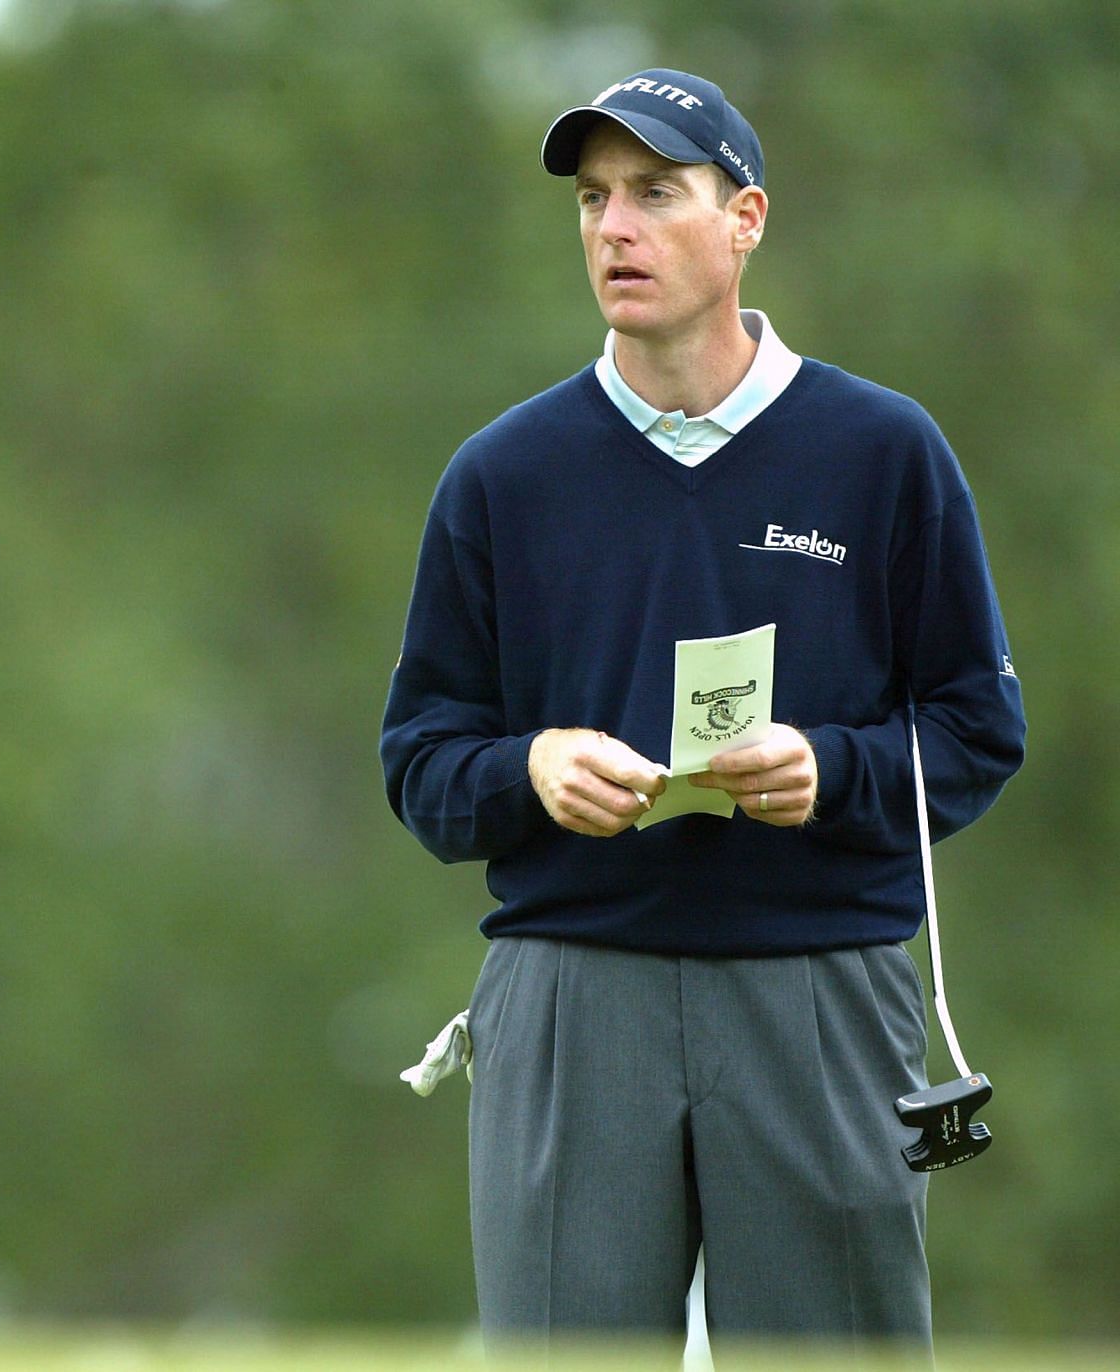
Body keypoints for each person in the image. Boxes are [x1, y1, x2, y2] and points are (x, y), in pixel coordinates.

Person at [379, 68, 1024, 1355]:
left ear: (747, 219)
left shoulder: (883, 451)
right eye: (594, 199)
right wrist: (535, 768)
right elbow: (422, 760)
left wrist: (830, 771)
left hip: (822, 995)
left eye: (656, 194)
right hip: (573, 992)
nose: (614, 228)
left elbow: (973, 730)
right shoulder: (505, 474)